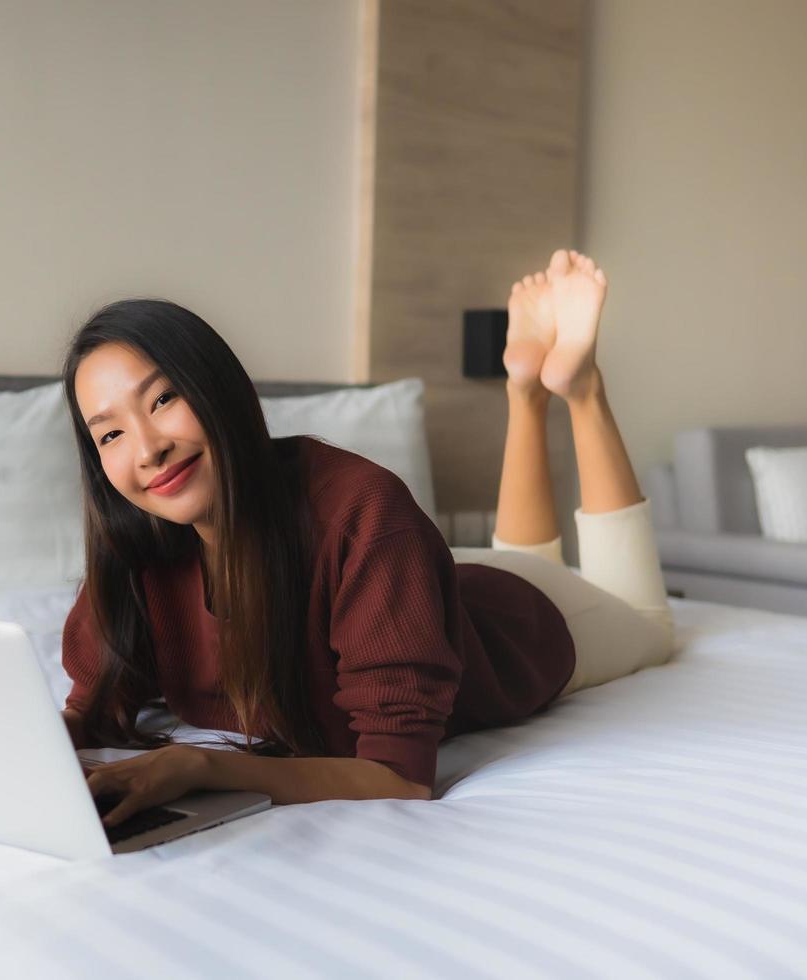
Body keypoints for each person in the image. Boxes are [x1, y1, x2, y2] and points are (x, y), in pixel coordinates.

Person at [58, 250, 676, 829]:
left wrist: (204, 766)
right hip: (421, 587)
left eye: (162, 398)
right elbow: (98, 700)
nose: (147, 449)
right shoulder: (136, 548)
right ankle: (525, 388)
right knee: (510, 553)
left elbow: (401, 780)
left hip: (528, 618)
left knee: (650, 626)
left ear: (224, 389)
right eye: (109, 435)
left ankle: (576, 388)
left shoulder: (364, 508)